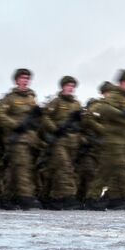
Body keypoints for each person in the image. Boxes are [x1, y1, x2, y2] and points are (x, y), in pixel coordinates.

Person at [0, 68, 44, 210]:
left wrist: (37, 119)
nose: (25, 81)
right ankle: (25, 197)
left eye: (27, 78)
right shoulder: (10, 98)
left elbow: (37, 118)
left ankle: (8, 198)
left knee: (15, 169)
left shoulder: (31, 98)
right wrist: (15, 124)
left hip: (31, 139)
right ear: (17, 80)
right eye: (22, 78)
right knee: (22, 167)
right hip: (16, 139)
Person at [41, 76, 83, 210]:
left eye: (73, 86)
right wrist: (55, 128)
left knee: (66, 169)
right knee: (64, 168)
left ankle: (55, 197)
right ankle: (69, 197)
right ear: (63, 87)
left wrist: (78, 124)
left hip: (73, 141)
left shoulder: (76, 104)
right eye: (68, 85)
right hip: (60, 141)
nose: (71, 88)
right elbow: (45, 117)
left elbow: (81, 122)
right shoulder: (56, 102)